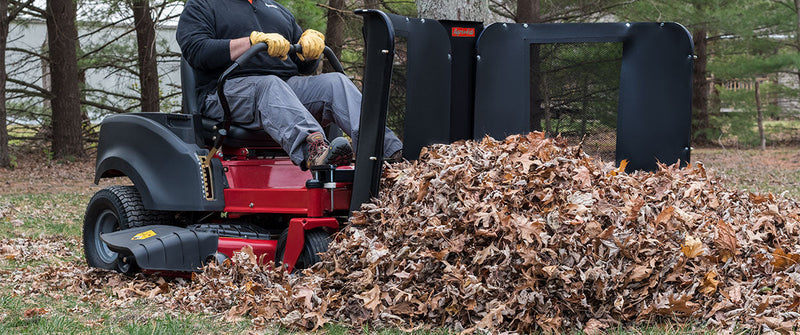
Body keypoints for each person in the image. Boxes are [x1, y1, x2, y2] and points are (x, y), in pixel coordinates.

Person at [176, 0, 403, 169]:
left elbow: (303, 66)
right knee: (269, 85)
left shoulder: (276, 10)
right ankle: (313, 149)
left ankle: (390, 153)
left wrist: (310, 51)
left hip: (283, 88)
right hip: (224, 93)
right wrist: (250, 42)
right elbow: (196, 51)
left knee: (336, 82)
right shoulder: (202, 5)